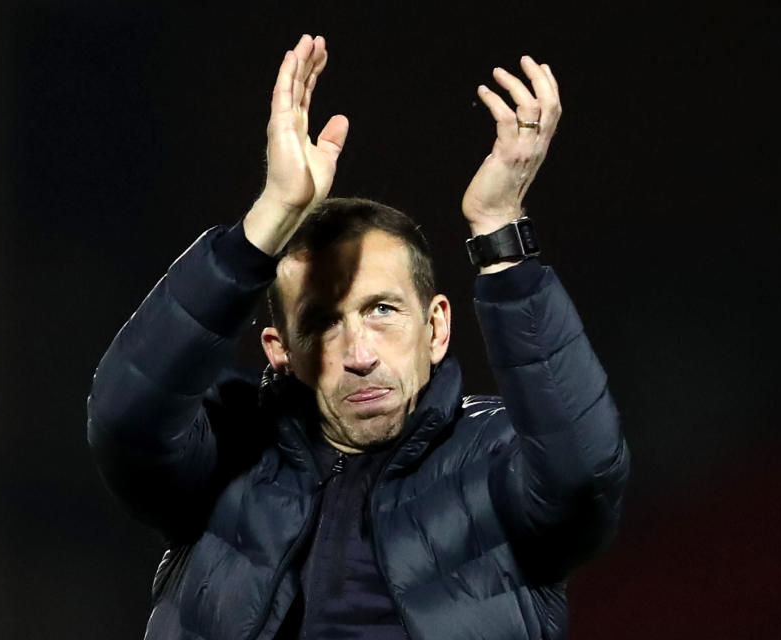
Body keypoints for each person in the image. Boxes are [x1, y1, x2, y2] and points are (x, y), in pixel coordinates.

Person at [87, 34, 629, 640]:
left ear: (437, 327)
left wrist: (500, 229)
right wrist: (268, 219)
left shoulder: (497, 458)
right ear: (281, 353)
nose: (360, 355)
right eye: (321, 324)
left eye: (383, 310)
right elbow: (125, 420)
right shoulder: (226, 459)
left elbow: (584, 478)